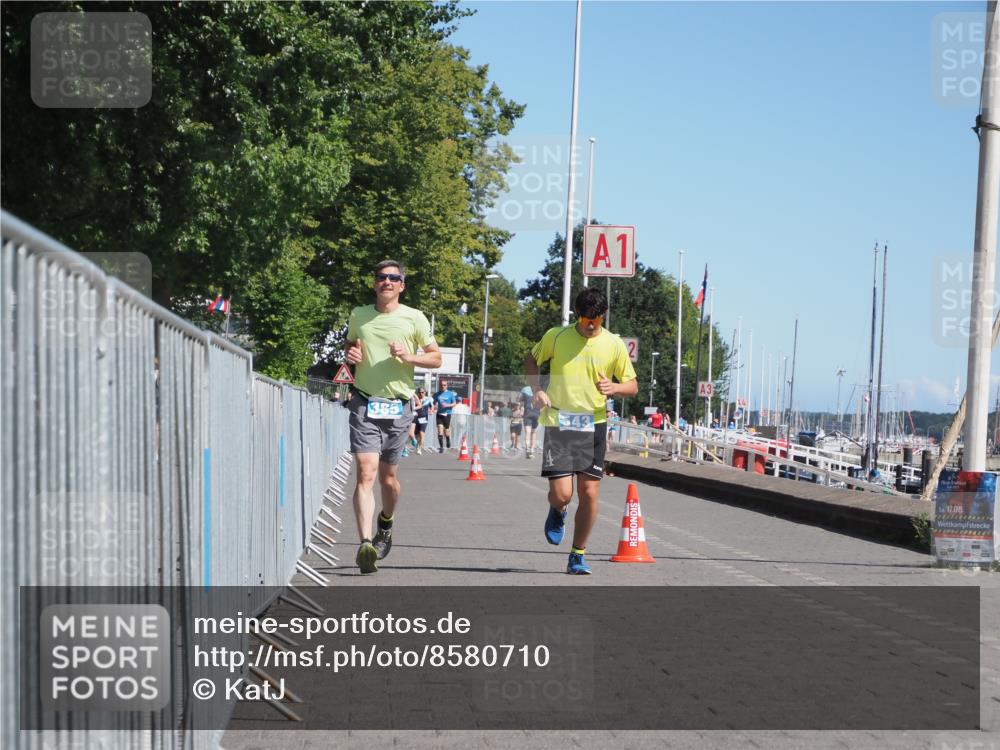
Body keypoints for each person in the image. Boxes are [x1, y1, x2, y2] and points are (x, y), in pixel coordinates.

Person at [524, 287, 638, 575]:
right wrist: (537, 390)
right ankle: (558, 511)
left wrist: (615, 388)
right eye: (585, 319)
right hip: (560, 421)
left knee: (588, 492)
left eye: (595, 320)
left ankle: (577, 554)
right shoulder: (557, 336)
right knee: (563, 494)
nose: (590, 325)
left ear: (603, 316)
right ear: (577, 315)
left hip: (594, 422)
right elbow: (531, 360)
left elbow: (632, 386)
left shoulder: (614, 344)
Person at [344, 260, 442, 574]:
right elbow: (350, 345)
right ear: (374, 284)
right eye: (381, 277)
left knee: (388, 479)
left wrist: (409, 356)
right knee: (366, 473)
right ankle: (365, 545)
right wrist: (350, 354)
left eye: (393, 278)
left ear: (401, 285)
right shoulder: (359, 315)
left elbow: (436, 357)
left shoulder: (414, 318)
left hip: (399, 407)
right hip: (364, 402)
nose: (386, 282)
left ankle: (386, 521)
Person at [434, 378, 458, 453]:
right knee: (440, 429)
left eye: (444, 385)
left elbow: (454, 404)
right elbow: (433, 402)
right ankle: (441, 447)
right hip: (439, 414)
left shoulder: (450, 394)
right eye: (441, 385)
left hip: (447, 413)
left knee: (446, 431)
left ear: (447, 386)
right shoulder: (437, 394)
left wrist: (447, 405)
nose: (443, 386)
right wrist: (434, 406)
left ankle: (448, 439)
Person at [520, 385, 540, 458]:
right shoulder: (540, 388)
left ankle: (527, 449)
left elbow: (519, 399)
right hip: (537, 413)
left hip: (527, 413)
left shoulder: (525, 389)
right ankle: (532, 450)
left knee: (527, 432)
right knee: (533, 432)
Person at [412, 387, 433, 454]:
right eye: (420, 392)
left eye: (422, 392)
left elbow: (432, 406)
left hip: (424, 419)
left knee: (421, 433)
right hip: (416, 418)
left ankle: (419, 449)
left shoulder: (428, 399)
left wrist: (431, 411)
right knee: (416, 435)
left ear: (425, 392)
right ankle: (418, 445)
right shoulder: (415, 399)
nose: (421, 394)